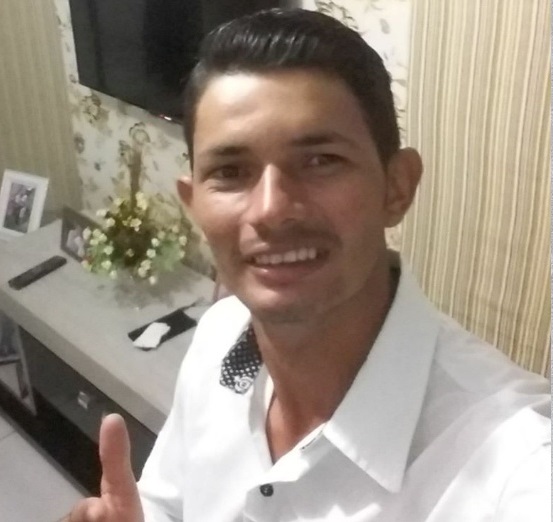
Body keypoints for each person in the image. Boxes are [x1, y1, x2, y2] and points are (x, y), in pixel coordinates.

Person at [67, 8, 550, 522]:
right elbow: (170, 501)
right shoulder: (219, 335)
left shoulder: (516, 461)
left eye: (320, 161)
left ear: (397, 187)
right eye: (230, 171)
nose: (271, 210)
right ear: (194, 205)